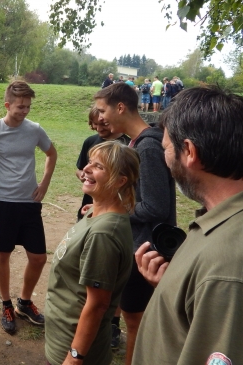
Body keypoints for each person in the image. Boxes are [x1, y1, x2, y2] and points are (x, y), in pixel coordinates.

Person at [133, 87, 243, 364]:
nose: (166, 160)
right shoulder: (219, 221)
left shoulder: (226, 266)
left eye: (167, 148)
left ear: (190, 151)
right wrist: (171, 286)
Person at [94, 82, 175, 365]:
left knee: (135, 320)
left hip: (146, 250)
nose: (100, 117)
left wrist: (114, 210)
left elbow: (155, 205)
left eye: (103, 111)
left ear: (120, 107)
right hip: (137, 245)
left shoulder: (148, 147)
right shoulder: (134, 143)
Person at [0, 80, 57, 334]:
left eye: (28, 106)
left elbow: (51, 154)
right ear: (7, 105)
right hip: (3, 202)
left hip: (29, 203)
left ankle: (24, 303)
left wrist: (45, 183)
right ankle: (6, 304)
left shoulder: (35, 130)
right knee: (3, 254)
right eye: (20, 107)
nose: (25, 111)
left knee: (38, 257)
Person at [45, 142, 139, 365]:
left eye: (99, 166)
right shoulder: (99, 211)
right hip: (61, 333)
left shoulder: (103, 234)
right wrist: (94, 210)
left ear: (119, 181)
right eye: (89, 162)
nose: (86, 169)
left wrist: (75, 357)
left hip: (72, 344)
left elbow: (98, 304)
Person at [75, 107, 129, 222]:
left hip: (111, 208)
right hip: (89, 205)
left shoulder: (127, 146)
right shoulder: (90, 141)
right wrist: (82, 175)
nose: (99, 128)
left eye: (104, 124)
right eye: (95, 124)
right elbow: (80, 169)